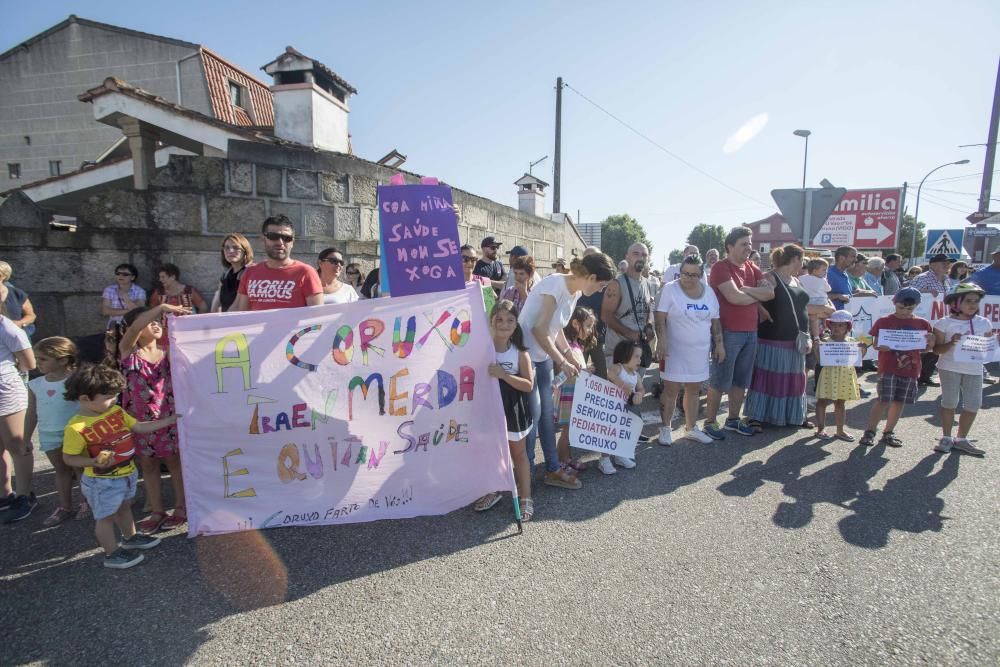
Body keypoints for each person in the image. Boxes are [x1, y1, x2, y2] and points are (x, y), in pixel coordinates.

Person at [519, 253, 616, 489]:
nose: (602, 290)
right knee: (534, 417)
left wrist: (568, 353)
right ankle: (525, 476)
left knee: (547, 416)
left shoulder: (575, 292)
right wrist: (562, 360)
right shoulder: (555, 285)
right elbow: (539, 330)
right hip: (526, 358)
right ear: (591, 277)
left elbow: (556, 328)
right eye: (602, 284)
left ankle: (552, 469)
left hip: (541, 358)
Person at [61, 363, 173, 568]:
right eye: (108, 397)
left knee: (124, 508)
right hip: (100, 481)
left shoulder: (117, 412)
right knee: (105, 517)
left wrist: (170, 421)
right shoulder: (76, 428)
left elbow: (139, 426)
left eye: (114, 396)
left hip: (126, 473)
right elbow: (69, 458)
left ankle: (130, 538)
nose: (114, 401)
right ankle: (111, 554)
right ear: (85, 398)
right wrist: (92, 461)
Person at [109, 304, 190, 533]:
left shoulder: (168, 350)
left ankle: (181, 507)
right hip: (139, 419)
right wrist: (162, 306)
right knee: (148, 464)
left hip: (169, 415)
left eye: (158, 320)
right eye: (149, 321)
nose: (155, 323)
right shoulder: (128, 351)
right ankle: (157, 510)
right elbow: (135, 326)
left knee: (174, 461)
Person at [702, 227, 774, 439]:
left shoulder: (752, 267)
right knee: (720, 380)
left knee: (741, 380)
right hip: (727, 332)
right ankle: (710, 421)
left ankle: (733, 419)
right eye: (744, 244)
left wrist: (747, 290)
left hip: (751, 331)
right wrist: (753, 293)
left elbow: (770, 293)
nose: (749, 248)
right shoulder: (720, 268)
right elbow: (734, 298)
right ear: (730, 246)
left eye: (750, 244)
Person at [473, 300, 535, 521]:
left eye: (509, 320)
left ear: (516, 324)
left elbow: (528, 385)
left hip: (513, 409)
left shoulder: (520, 353)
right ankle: (493, 490)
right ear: (491, 321)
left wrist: (504, 375)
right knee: (492, 453)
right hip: (488, 408)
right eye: (499, 319)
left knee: (518, 454)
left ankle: (526, 496)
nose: (503, 324)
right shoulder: (483, 349)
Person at [654, 254, 721, 445]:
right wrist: (661, 340)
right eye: (684, 273)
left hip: (699, 351)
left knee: (694, 389)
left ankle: (691, 428)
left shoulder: (709, 292)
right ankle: (665, 429)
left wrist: (720, 344)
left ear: (701, 275)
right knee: (670, 390)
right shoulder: (670, 289)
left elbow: (715, 321)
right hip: (673, 351)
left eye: (693, 275)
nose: (688, 278)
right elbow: (660, 317)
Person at [744, 244, 811, 429]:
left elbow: (804, 308)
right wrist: (761, 310)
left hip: (796, 340)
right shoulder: (770, 277)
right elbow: (754, 297)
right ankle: (756, 417)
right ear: (796, 259)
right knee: (767, 378)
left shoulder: (797, 281)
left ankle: (793, 415)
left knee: (794, 379)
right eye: (802, 260)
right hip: (773, 338)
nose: (803, 264)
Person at [859, 288, 935, 448]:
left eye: (909, 309)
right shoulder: (884, 321)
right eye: (901, 307)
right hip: (889, 367)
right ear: (894, 303)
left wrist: (931, 341)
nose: (905, 312)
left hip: (911, 369)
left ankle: (888, 432)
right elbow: (876, 344)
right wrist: (881, 346)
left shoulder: (922, 323)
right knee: (883, 400)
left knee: (899, 401)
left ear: (916, 306)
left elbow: (926, 349)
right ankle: (870, 431)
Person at [25, 337, 87, 526]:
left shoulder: (78, 379)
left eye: (43, 359)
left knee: (81, 469)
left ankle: (87, 501)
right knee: (60, 470)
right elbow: (31, 413)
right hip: (49, 433)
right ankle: (65, 506)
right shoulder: (35, 385)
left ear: (63, 359)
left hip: (76, 433)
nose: (37, 363)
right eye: (37, 358)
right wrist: (26, 437)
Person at [932, 283, 990, 456]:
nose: (973, 305)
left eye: (976, 301)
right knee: (949, 402)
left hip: (974, 369)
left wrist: (992, 345)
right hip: (950, 367)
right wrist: (952, 342)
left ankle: (962, 439)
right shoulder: (944, 323)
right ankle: (947, 437)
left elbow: (988, 348)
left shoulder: (983, 323)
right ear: (956, 303)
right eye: (968, 301)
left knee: (973, 404)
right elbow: (937, 350)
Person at [0, 284, 37, 523]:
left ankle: (25, 495)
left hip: (5, 389)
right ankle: (5, 493)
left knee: (17, 443)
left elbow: (28, 363)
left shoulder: (6, 326)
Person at [232, 215, 324, 311]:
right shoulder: (250, 272)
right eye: (273, 236)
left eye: (286, 238)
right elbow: (242, 314)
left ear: (292, 242)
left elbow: (317, 317)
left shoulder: (306, 272)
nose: (280, 242)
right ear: (263, 239)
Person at [555, 306, 597, 473]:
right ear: (574, 323)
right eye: (587, 326)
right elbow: (562, 373)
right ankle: (561, 462)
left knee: (571, 429)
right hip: (567, 394)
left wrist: (586, 370)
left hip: (575, 394)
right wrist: (585, 371)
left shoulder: (575, 345)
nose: (589, 331)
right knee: (566, 430)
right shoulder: (566, 348)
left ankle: (567, 458)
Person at [602, 243, 655, 369]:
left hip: (638, 353)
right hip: (620, 353)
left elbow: (647, 311)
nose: (640, 258)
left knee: (637, 389)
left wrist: (648, 326)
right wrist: (628, 333)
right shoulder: (616, 284)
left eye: (644, 255)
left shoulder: (647, 284)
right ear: (627, 257)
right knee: (620, 388)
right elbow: (606, 315)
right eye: (636, 254)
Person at [813, 311, 863, 441]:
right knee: (822, 401)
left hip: (844, 375)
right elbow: (819, 361)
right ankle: (820, 428)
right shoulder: (825, 341)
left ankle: (840, 430)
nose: (837, 328)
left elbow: (857, 360)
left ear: (847, 327)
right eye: (834, 324)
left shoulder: (852, 342)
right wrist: (816, 348)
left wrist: (863, 349)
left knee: (840, 402)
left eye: (841, 325)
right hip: (828, 375)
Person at [601, 340, 645, 474]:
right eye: (636, 356)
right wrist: (622, 385)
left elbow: (641, 389)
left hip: (628, 410)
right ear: (626, 355)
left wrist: (639, 395)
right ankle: (604, 459)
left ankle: (620, 455)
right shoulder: (618, 368)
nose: (639, 360)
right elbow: (610, 374)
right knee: (609, 433)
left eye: (640, 357)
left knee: (623, 432)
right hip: (613, 408)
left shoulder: (636, 375)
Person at [911, 254, 951, 386]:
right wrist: (925, 291)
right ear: (932, 264)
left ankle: (925, 376)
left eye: (948, 263)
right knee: (921, 348)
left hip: (939, 320)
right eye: (943, 262)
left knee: (935, 349)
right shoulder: (923, 278)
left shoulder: (946, 280)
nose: (947, 265)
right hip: (924, 319)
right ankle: (913, 376)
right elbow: (910, 293)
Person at [150, 263, 207, 345]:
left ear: (173, 277)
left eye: (163, 277)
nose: (160, 280)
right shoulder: (159, 292)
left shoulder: (189, 290)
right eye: (160, 277)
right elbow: (151, 309)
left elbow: (203, 306)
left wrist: (197, 323)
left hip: (187, 333)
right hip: (165, 333)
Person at [575, 246, 608, 379]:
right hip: (577, 338)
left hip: (598, 337)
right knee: (578, 375)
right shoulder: (577, 281)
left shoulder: (604, 281)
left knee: (601, 376)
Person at [213, 233, 254, 312]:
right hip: (225, 321)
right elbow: (216, 304)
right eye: (227, 248)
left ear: (245, 251)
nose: (231, 251)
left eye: (236, 248)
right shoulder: (225, 275)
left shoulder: (251, 273)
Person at [102, 263, 147, 328]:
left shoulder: (140, 291)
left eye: (125, 274)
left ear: (133, 277)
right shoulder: (109, 289)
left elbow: (139, 311)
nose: (120, 276)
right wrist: (129, 311)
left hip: (133, 325)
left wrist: (125, 297)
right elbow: (105, 311)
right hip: (114, 325)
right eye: (118, 273)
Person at [0, 260, 37, 340]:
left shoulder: (16, 293)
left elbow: (31, 315)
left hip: (16, 338)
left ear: (4, 276)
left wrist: (20, 323)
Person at [800, 258, 834, 342]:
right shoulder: (822, 280)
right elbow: (828, 289)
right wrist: (825, 280)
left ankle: (815, 337)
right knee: (826, 315)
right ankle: (826, 329)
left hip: (808, 301)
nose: (826, 272)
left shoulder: (801, 278)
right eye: (824, 270)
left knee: (813, 318)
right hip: (821, 301)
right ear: (815, 270)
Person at [827, 246, 857, 311]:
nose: (855, 260)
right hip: (832, 318)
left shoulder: (845, 273)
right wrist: (838, 296)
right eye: (853, 256)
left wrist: (864, 292)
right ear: (841, 258)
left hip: (845, 317)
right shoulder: (828, 274)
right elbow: (817, 297)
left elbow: (847, 294)